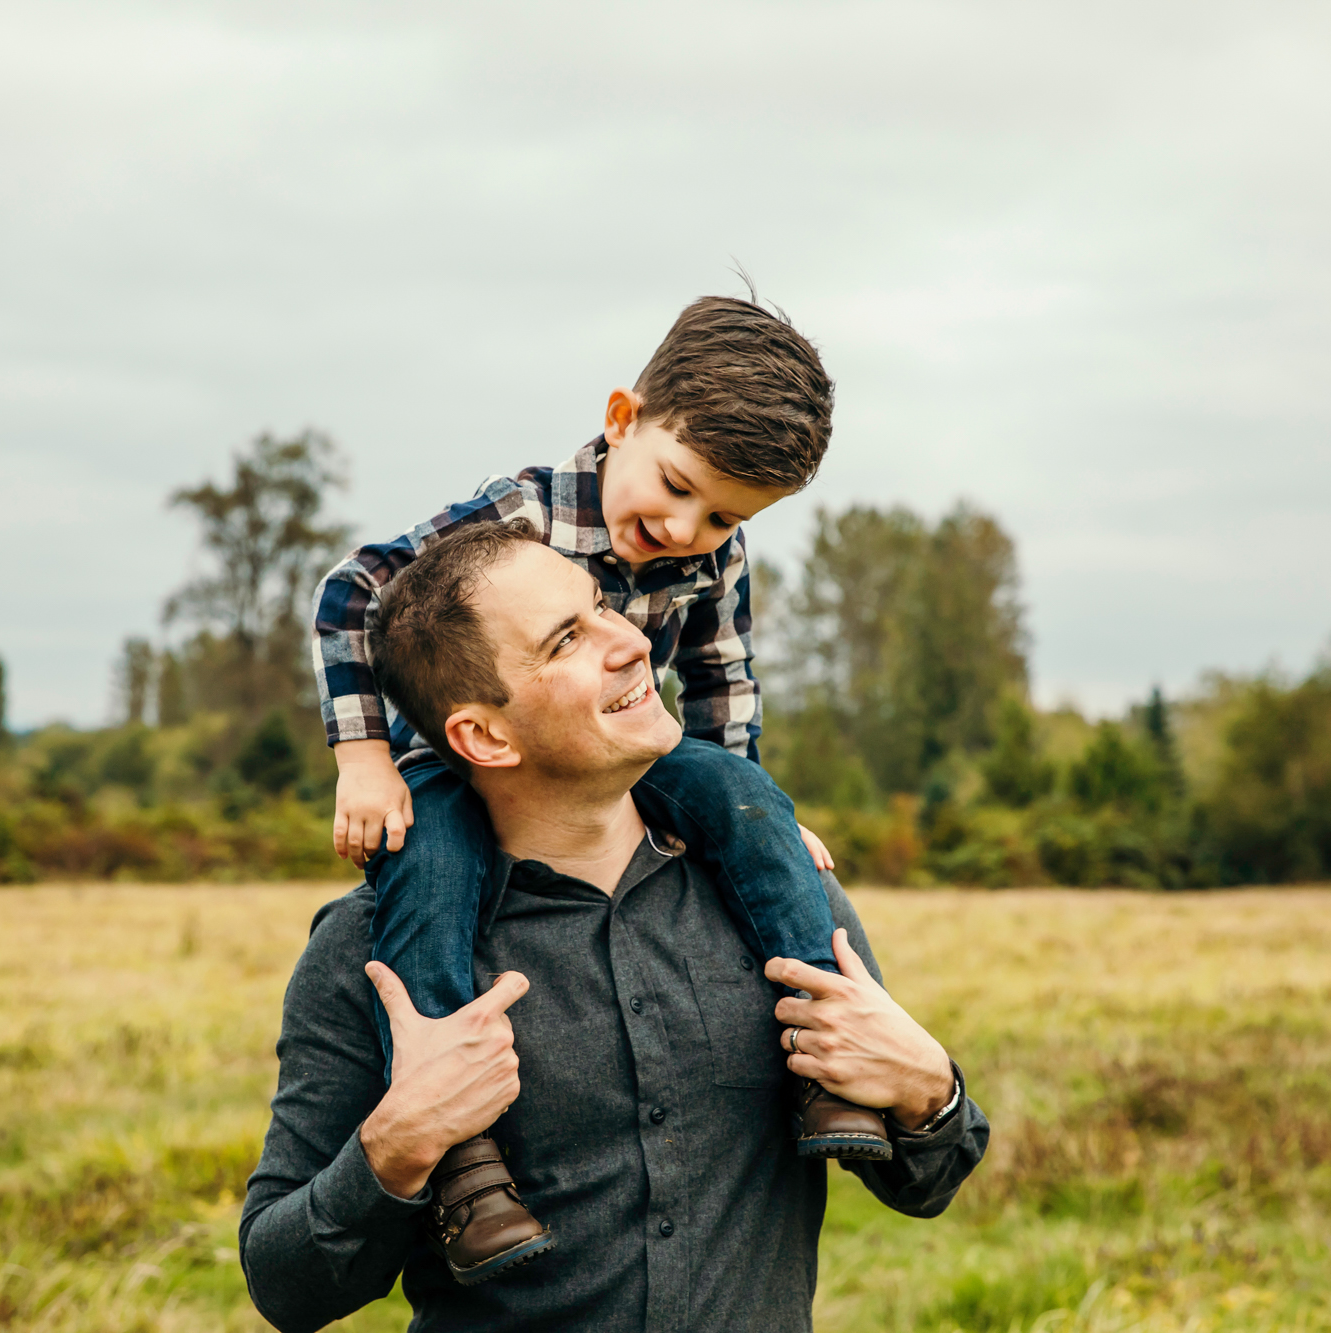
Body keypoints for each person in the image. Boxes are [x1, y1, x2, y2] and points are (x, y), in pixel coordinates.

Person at [243, 522, 988, 1331]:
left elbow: (927, 1184)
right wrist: (397, 1144)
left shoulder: (784, 900)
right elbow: (284, 1285)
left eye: (603, 605)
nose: (632, 641)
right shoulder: (368, 953)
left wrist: (928, 1089)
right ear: (484, 736)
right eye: (567, 639)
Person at [311, 297, 885, 1264]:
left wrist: (755, 818)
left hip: (638, 751)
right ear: (622, 418)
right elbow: (353, 588)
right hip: (458, 764)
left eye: (725, 516)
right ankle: (464, 1157)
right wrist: (363, 754)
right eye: (677, 486)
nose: (687, 527)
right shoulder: (524, 514)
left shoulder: (715, 553)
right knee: (433, 869)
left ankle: (831, 1057)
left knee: (754, 807)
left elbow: (722, 678)